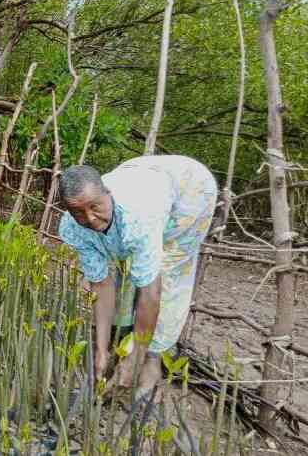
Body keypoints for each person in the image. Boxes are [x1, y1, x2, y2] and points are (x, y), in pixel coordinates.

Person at [58, 155, 217, 397]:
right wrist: (100, 349)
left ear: (108, 193)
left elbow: (150, 293)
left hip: (190, 189)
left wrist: (137, 357)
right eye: (79, 212)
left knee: (167, 270)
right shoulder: (72, 227)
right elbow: (101, 284)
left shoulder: (139, 218)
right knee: (125, 267)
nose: (90, 218)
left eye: (95, 207)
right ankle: (118, 342)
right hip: (145, 177)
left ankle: (152, 360)